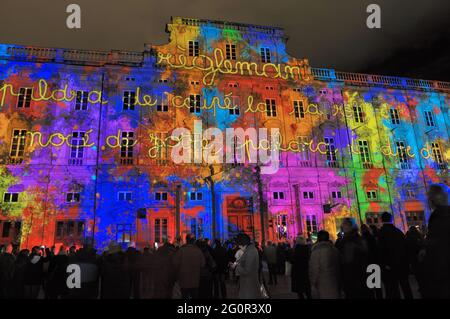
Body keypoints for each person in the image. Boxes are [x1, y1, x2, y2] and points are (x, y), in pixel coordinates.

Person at [422, 185, 450, 298]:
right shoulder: (441, 216)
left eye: (428, 197)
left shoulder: (439, 218)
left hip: (441, 277)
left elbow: (438, 247)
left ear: (433, 200)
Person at [378, 212, 413, 299]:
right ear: (391, 219)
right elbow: (406, 248)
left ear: (381, 220)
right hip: (402, 264)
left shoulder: (381, 233)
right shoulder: (399, 231)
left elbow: (381, 251)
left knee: (392, 289)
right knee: (406, 287)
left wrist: (384, 264)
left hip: (389, 267)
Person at [335, 218, 370, 299]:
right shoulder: (359, 239)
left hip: (353, 278)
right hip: (362, 276)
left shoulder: (348, 241)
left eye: (344, 224)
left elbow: (347, 261)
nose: (342, 227)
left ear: (349, 226)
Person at [309, 230, 341, 299]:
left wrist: (313, 284)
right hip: (334, 282)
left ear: (318, 239)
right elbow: (339, 267)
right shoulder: (335, 250)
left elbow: (314, 269)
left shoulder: (316, 251)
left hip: (322, 283)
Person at [172, 234, 205, 299]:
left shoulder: (181, 251)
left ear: (186, 240)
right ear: (193, 241)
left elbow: (175, 264)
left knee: (184, 296)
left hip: (184, 281)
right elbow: (203, 264)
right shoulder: (198, 251)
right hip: (195, 281)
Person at [234, 233, 261, 299]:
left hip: (249, 286)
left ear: (243, 243)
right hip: (247, 285)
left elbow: (247, 270)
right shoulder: (249, 250)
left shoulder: (251, 251)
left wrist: (236, 267)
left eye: (239, 245)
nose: (239, 247)